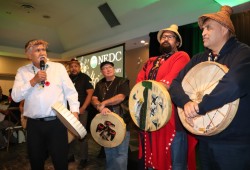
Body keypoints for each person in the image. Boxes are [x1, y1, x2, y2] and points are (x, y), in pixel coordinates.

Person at [169, 6, 250, 170]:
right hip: (205, 140)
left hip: (234, 144)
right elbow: (175, 84)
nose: (203, 32)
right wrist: (186, 102)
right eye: (202, 29)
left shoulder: (243, 53)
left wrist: (200, 106)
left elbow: (233, 84)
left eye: (208, 28)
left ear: (224, 29)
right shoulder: (199, 58)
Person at [11, 39, 80, 170]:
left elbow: (71, 92)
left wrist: (75, 112)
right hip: (34, 125)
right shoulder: (22, 71)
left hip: (57, 123)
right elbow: (15, 96)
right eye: (37, 50)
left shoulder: (58, 68)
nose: (42, 52)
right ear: (28, 54)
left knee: (60, 161)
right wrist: (33, 81)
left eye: (43, 49)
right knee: (36, 161)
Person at [136, 24, 197, 170]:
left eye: (170, 37)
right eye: (163, 36)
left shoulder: (181, 56)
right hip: (150, 116)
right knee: (151, 160)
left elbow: (170, 80)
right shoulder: (150, 61)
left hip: (172, 116)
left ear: (177, 42)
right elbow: (139, 84)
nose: (166, 39)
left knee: (176, 162)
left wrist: (147, 90)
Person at [91, 61, 130, 170]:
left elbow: (121, 97)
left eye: (109, 67)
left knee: (121, 153)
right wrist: (100, 107)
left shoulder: (122, 81)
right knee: (109, 151)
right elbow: (94, 99)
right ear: (102, 72)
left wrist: (104, 103)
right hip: (104, 122)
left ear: (113, 69)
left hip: (121, 120)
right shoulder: (99, 84)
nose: (107, 69)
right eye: (104, 68)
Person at [68, 58, 94, 169]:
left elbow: (90, 93)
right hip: (68, 111)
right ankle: (70, 155)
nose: (74, 68)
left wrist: (83, 107)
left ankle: (84, 158)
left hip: (81, 111)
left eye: (76, 66)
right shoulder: (67, 78)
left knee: (81, 134)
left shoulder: (85, 78)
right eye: (72, 66)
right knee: (69, 134)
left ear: (79, 67)